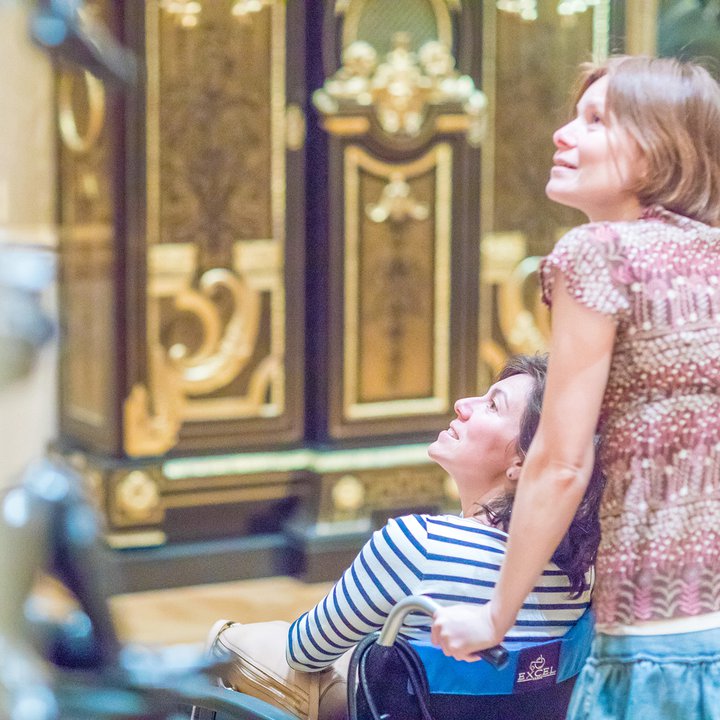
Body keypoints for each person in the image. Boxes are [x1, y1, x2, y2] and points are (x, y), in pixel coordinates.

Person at [430, 55, 720, 720]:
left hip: (660, 628)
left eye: (596, 121)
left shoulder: (600, 254)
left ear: (661, 149)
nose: (563, 133)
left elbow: (560, 461)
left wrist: (495, 618)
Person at [207, 354, 604, 720]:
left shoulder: (417, 544)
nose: (463, 404)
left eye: (492, 405)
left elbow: (305, 651)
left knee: (227, 642)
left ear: (523, 461)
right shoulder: (579, 567)